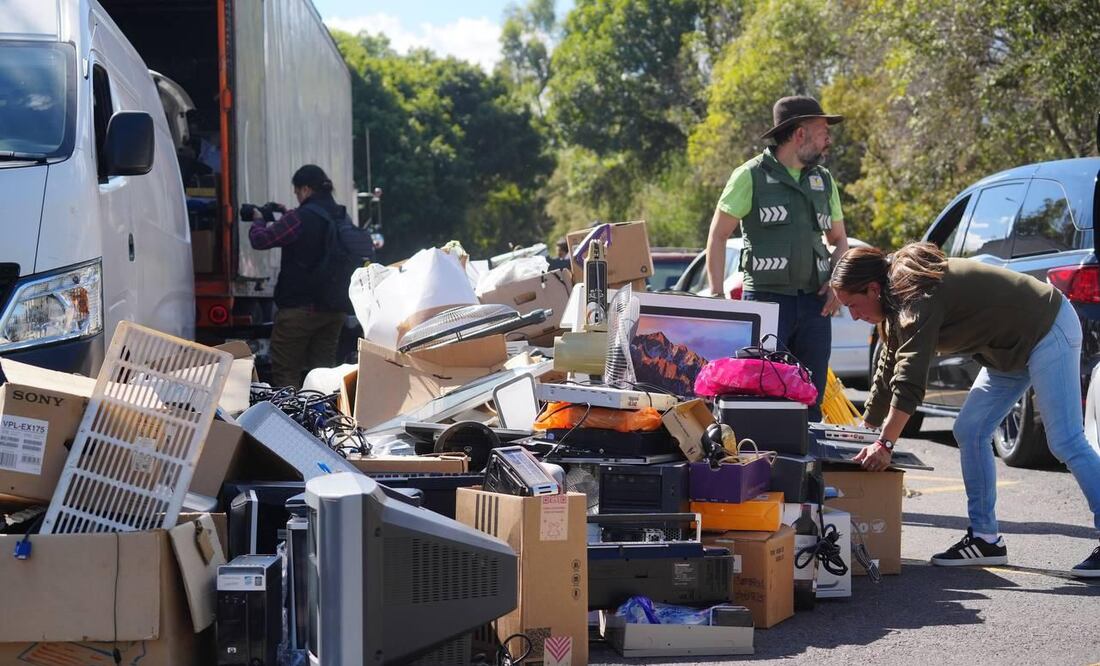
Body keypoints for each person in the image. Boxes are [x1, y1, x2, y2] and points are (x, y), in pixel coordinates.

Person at [831, 242, 1100, 577]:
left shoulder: (913, 293)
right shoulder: (893, 295)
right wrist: (865, 430)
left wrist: (884, 444)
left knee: (1065, 440)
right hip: (1008, 350)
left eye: (853, 306)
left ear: (872, 288)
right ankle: (985, 538)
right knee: (970, 429)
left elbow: (911, 377)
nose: (854, 316)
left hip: (1047, 328)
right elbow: (890, 365)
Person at [705, 95, 848, 421]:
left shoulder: (823, 181)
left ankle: (806, 469)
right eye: (823, 130)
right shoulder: (750, 175)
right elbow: (718, 235)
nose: (829, 139)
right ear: (799, 134)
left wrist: (838, 282)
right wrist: (716, 296)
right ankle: (763, 468)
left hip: (816, 305)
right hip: (766, 304)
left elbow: (839, 240)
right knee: (764, 397)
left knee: (810, 398)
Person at [249, 164, 367, 389]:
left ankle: (290, 420)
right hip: (335, 310)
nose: (297, 197)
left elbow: (261, 240)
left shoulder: (300, 217)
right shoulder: (341, 216)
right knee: (322, 375)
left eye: (297, 192)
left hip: (299, 310)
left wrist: (258, 219)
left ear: (305, 189)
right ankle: (323, 420)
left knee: (286, 373)